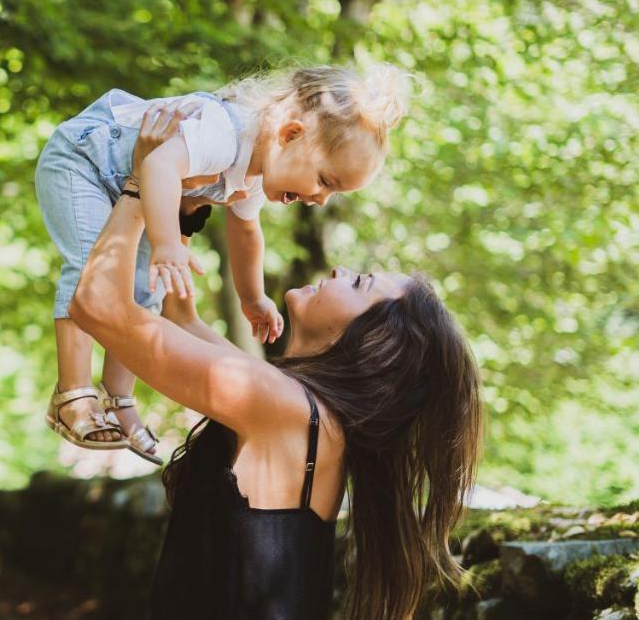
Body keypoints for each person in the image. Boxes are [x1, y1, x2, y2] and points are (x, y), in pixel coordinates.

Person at [68, 103, 485, 620]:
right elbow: (178, 318)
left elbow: (98, 305)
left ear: (375, 343)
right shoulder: (295, 406)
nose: (341, 269)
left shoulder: (284, 408)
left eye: (361, 284)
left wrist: (136, 184)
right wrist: (181, 198)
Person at [36, 64, 411, 465]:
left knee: (145, 291)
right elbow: (160, 165)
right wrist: (167, 244)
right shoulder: (224, 131)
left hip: (134, 190)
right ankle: (72, 393)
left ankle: (118, 399)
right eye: (326, 180)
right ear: (291, 134)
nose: (320, 199)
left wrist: (252, 298)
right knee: (91, 265)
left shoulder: (255, 171)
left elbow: (247, 233)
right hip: (84, 164)